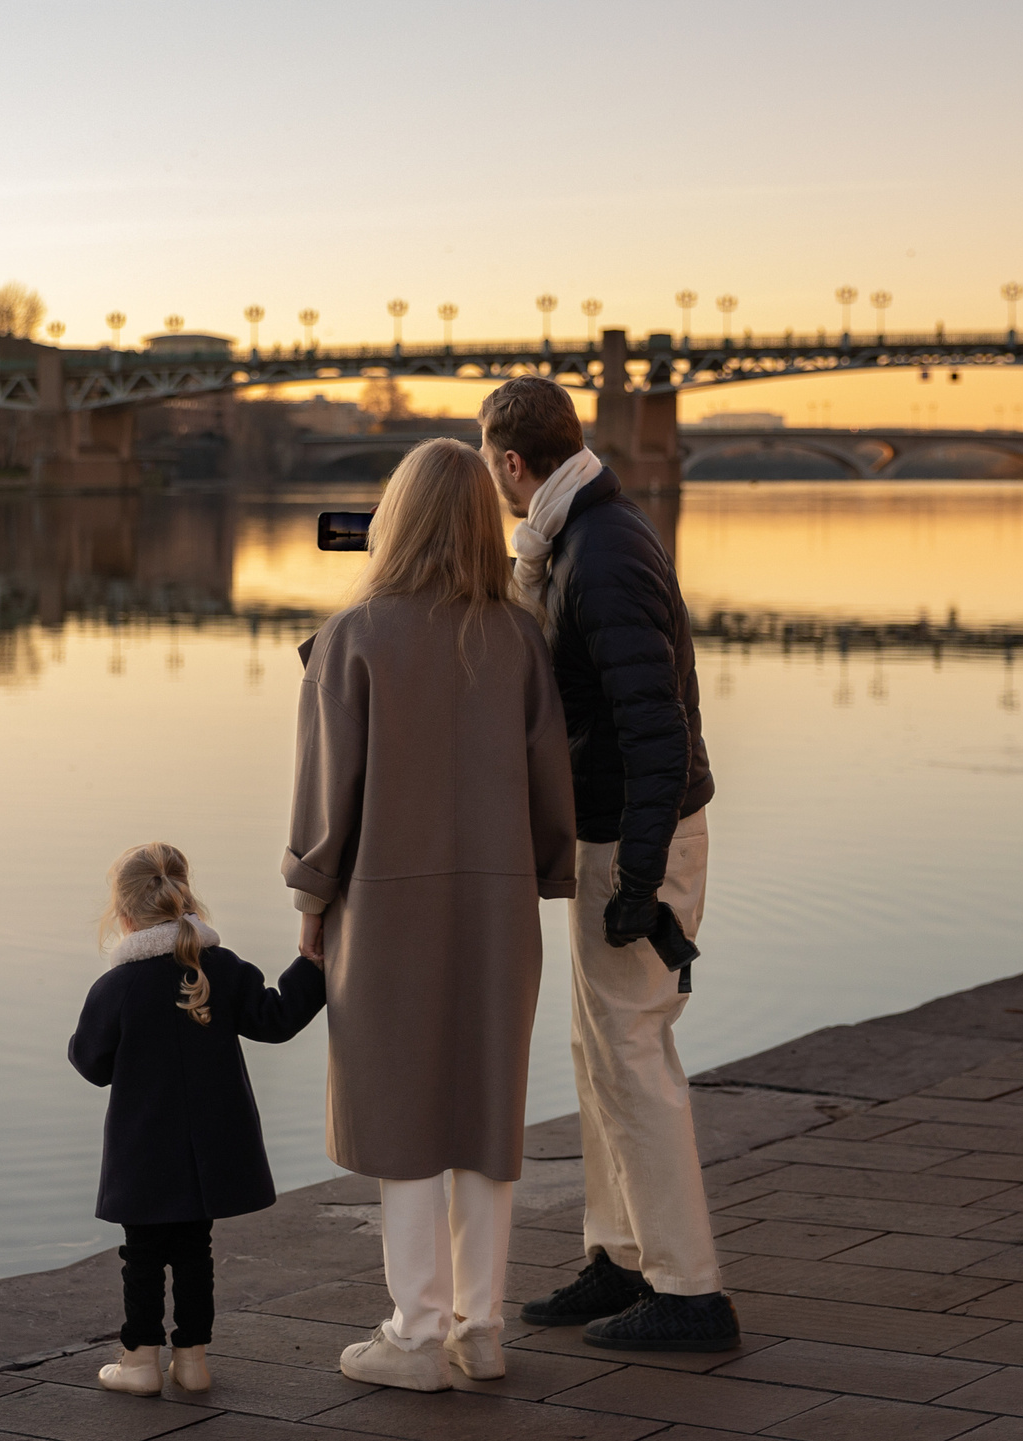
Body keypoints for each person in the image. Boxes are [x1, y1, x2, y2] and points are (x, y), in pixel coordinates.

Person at [285, 438, 577, 1391]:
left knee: (401, 1114)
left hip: (385, 906)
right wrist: (544, 874)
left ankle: (415, 1332)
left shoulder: (355, 634)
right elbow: (549, 785)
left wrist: (309, 898)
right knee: (483, 1110)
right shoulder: (521, 635)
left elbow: (330, 796)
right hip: (498, 906)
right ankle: (479, 1326)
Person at [482, 376, 738, 1352]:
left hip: (645, 834)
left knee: (633, 1058)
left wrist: (637, 877)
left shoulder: (603, 551)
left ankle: (688, 1291)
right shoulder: (572, 538)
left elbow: (655, 724)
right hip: (618, 831)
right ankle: (619, 1256)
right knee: (598, 1058)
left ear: (513, 463)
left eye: (490, 465)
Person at [67, 842, 327, 1397]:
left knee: (142, 1254)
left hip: (144, 1149)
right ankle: (192, 1359)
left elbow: (91, 1063)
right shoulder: (223, 968)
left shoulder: (118, 986)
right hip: (213, 1149)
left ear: (124, 915)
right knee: (194, 1250)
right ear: (186, 898)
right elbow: (277, 1018)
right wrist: (313, 966)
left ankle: (139, 1361)